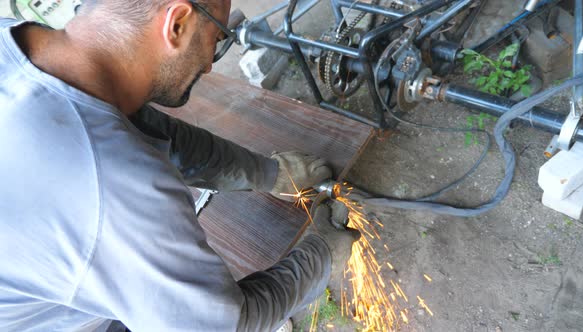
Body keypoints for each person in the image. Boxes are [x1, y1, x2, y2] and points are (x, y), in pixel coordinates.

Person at [0, 0, 357, 331]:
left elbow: (145, 127)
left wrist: (269, 173)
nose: (209, 64)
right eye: (216, 38)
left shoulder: (17, 42)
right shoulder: (115, 186)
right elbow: (223, 326)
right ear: (177, 24)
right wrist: (320, 255)